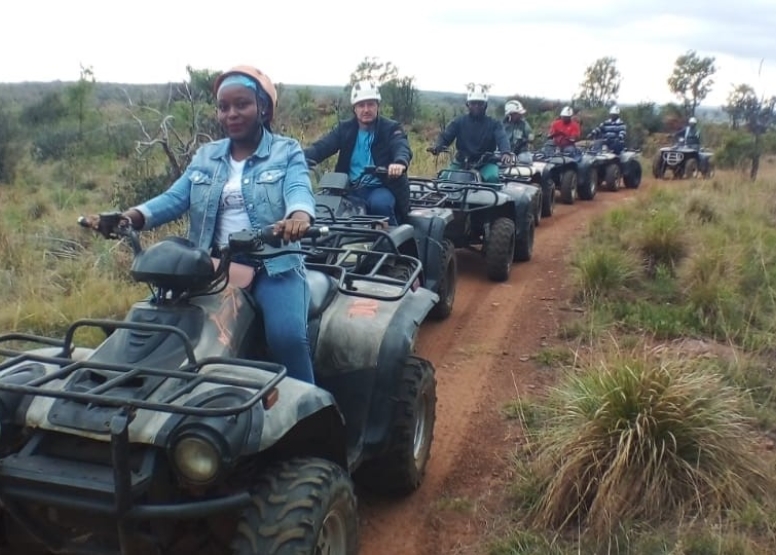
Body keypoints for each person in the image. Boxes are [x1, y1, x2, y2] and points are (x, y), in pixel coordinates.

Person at [85, 66, 318, 384]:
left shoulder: (285, 150)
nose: (231, 114)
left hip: (274, 266)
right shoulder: (207, 156)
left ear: (263, 107)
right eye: (224, 107)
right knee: (163, 325)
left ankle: (309, 412)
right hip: (212, 265)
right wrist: (130, 217)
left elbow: (298, 190)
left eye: (242, 104)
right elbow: (174, 198)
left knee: (286, 337)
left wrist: (298, 218)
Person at [303, 80, 412, 226]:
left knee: (381, 205)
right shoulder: (345, 129)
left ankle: (390, 245)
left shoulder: (391, 128)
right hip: (349, 189)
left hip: (380, 187)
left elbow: (401, 146)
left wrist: (399, 163)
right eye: (361, 105)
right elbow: (321, 147)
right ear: (354, 108)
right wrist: (297, 158)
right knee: (324, 208)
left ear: (377, 106)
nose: (366, 110)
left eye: (370, 104)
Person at [429, 84, 513, 184]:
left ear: (485, 105)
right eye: (473, 103)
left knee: (492, 179)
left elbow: (502, 138)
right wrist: (437, 146)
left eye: (480, 103)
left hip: (485, 164)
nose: (476, 106)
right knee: (443, 178)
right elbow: (446, 136)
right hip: (461, 162)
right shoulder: (459, 122)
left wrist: (506, 152)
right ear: (468, 104)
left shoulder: (494, 124)